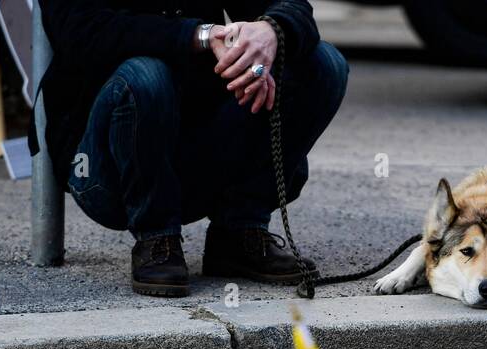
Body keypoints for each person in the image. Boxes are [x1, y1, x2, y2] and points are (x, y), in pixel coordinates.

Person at [30, 2, 348, 297]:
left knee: (323, 63)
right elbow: (82, 34)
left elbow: (293, 6)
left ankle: (239, 231)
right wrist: (199, 36)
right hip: (106, 168)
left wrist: (270, 29)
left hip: (196, 154)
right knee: (147, 75)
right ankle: (156, 236)